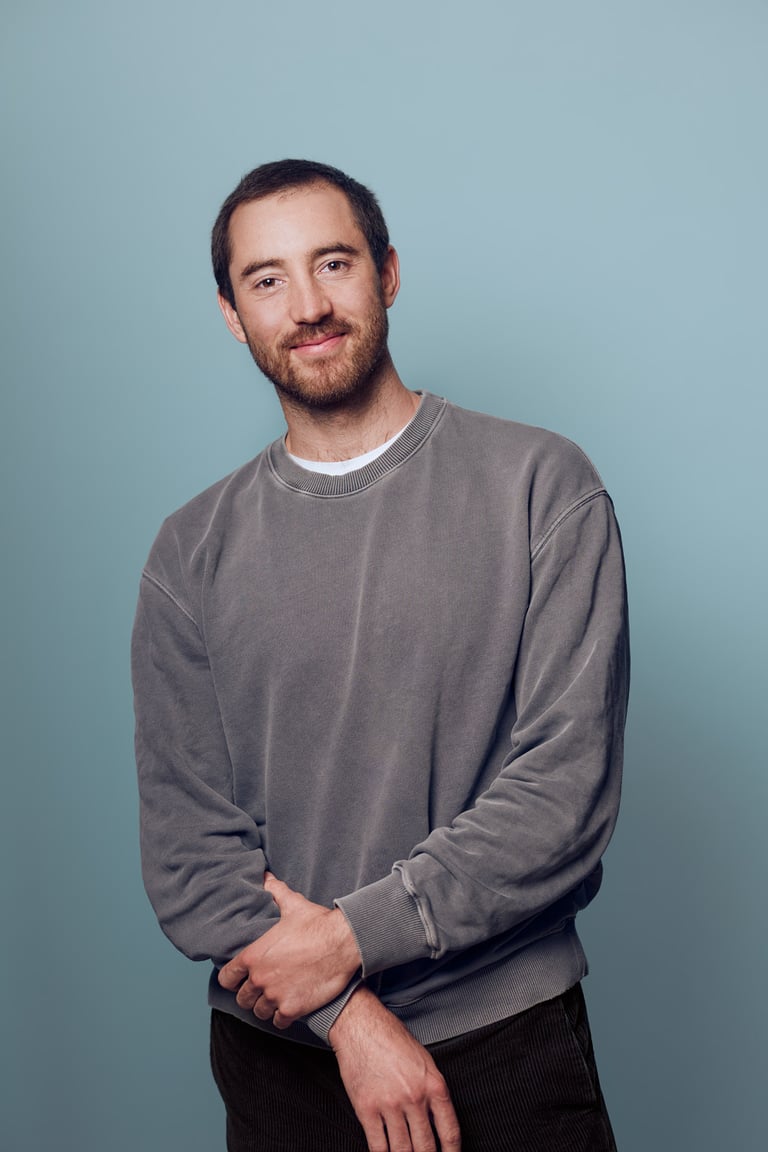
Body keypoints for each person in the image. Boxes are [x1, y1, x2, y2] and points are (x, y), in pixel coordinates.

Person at [132, 159, 629, 1152]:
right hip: (284, 1058)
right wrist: (348, 1014)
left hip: (505, 1041)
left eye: (334, 263)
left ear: (389, 273)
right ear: (232, 314)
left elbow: (563, 795)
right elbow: (189, 856)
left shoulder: (540, 488)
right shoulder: (189, 555)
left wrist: (353, 939)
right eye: (267, 279)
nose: (308, 305)